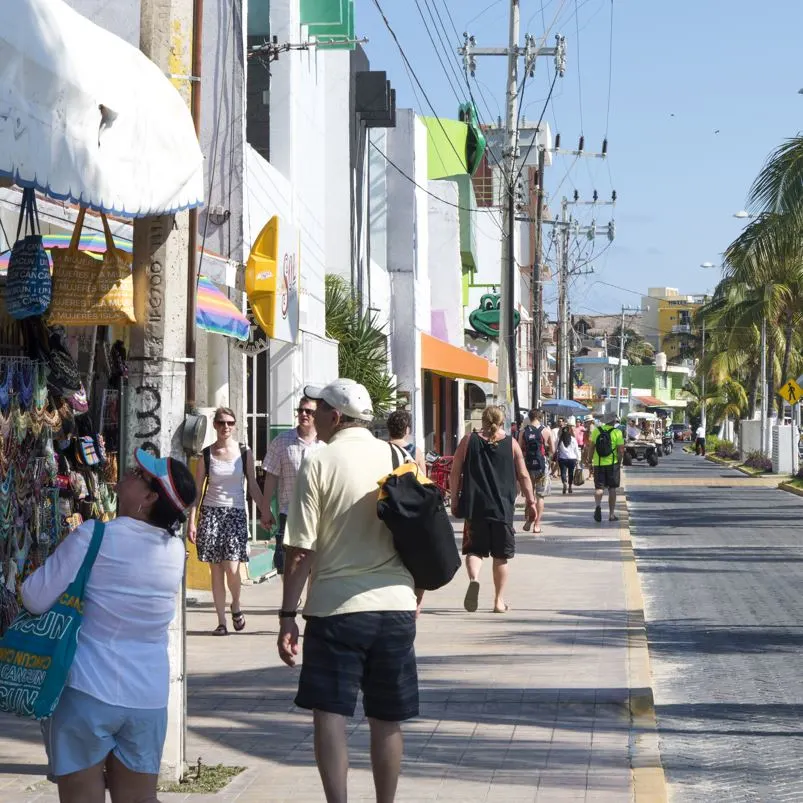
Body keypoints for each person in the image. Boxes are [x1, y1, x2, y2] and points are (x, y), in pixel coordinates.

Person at [22, 449, 197, 803]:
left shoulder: (94, 536)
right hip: (147, 697)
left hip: (88, 689)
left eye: (140, 474)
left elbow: (34, 598)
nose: (130, 473)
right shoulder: (175, 550)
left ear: (149, 498)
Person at [278, 379, 418, 803]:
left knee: (330, 714)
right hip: (395, 606)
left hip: (336, 610)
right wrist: (414, 592)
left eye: (318, 409)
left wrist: (287, 615)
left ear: (335, 417)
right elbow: (420, 529)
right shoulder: (399, 455)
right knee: (387, 719)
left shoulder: (318, 462)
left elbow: (301, 551)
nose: (313, 416)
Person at [450, 406, 537, 614]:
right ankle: (498, 601)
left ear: (483, 420)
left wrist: (454, 498)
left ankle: (474, 579)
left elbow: (455, 472)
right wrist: (531, 502)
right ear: (502, 420)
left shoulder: (468, 441)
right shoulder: (511, 443)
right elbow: (524, 475)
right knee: (501, 556)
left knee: (474, 550)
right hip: (502, 508)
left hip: (475, 506)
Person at [188, 407, 263, 636]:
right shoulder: (206, 455)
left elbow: (252, 483)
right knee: (216, 569)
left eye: (230, 423)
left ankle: (236, 605)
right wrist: (192, 521)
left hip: (236, 513)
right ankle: (221, 621)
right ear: (215, 425)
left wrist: (265, 512)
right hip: (210, 513)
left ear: (235, 425)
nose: (226, 427)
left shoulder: (244, 452)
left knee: (232, 567)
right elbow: (197, 491)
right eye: (221, 423)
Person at [261, 396, 324, 574]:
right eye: (300, 410)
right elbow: (271, 476)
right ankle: (291, 601)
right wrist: (265, 510)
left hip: (319, 514)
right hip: (289, 513)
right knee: (286, 563)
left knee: (316, 563)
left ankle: (311, 600)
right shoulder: (282, 441)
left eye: (309, 411)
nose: (304, 414)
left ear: (317, 415)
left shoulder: (325, 444)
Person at [519, 408, 554, 534]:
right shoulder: (546, 431)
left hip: (527, 465)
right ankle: (537, 524)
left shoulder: (523, 432)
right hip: (541, 466)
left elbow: (519, 450)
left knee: (530, 494)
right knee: (540, 496)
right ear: (540, 417)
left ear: (529, 417)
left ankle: (529, 519)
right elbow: (553, 451)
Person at [589, 412, 625, 522]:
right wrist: (619, 462)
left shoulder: (596, 431)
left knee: (599, 488)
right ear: (614, 421)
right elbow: (621, 450)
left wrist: (590, 461)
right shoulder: (617, 432)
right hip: (612, 464)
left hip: (599, 464)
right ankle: (611, 514)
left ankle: (598, 506)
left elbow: (591, 447)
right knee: (612, 489)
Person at [387, 409, 426, 473]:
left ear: (389, 429)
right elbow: (423, 478)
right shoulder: (416, 451)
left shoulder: (382, 448)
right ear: (407, 429)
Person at [557, 421, 582, 494]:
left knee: (563, 473)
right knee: (571, 473)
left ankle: (564, 482)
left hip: (562, 459)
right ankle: (570, 486)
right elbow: (576, 450)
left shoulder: (560, 439)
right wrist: (578, 459)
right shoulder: (573, 439)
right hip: (572, 459)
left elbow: (557, 449)